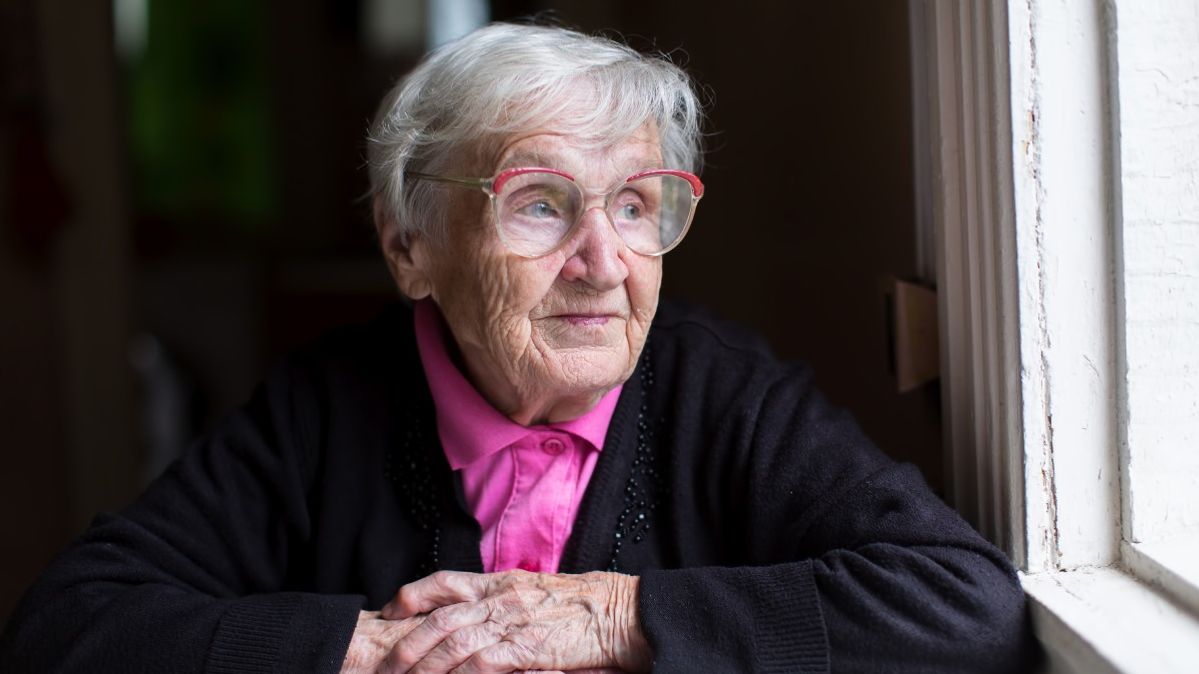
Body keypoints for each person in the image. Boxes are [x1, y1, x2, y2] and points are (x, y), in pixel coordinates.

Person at [0, 22, 1037, 673]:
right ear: (409, 245)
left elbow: (963, 605)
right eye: (537, 205)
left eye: (636, 205)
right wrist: (372, 645)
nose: (602, 260)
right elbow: (69, 629)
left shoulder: (720, 390)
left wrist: (614, 615)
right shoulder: (326, 409)